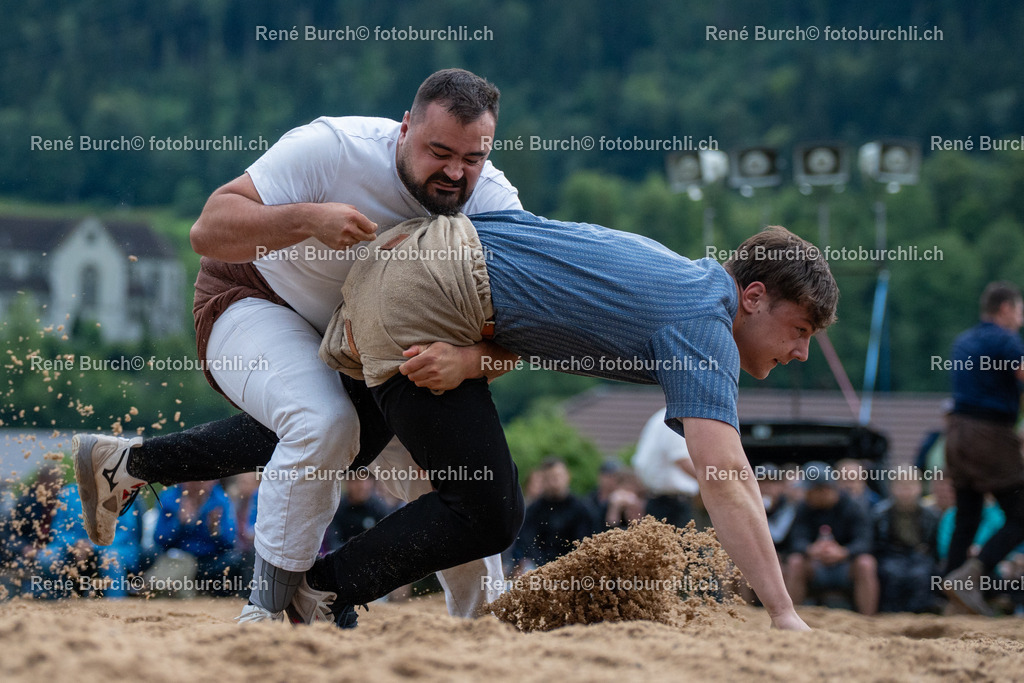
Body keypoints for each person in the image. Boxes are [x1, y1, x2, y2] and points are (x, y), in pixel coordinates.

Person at [72, 68, 523, 625]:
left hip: (370, 354)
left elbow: (523, 330)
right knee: (323, 423)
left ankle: (487, 626)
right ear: (404, 129)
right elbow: (208, 229)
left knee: (459, 485)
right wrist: (307, 219)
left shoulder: (496, 204)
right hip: (255, 299)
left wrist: (469, 361)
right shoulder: (334, 148)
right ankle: (271, 617)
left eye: (472, 158)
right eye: (439, 151)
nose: (455, 172)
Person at [312, 214, 839, 631]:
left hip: (408, 258)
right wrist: (783, 612)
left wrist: (472, 359)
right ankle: (319, 589)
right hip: (428, 283)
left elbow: (530, 307)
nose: (801, 353)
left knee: (326, 436)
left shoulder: (682, 277)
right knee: (488, 510)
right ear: (753, 297)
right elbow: (727, 477)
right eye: (799, 329)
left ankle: (306, 588)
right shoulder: (707, 322)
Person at [942, 281, 1024, 616]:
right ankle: (972, 574)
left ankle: (953, 599)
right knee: (1022, 514)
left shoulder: (963, 341)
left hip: (956, 435)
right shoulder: (1004, 339)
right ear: (1005, 308)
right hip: (990, 435)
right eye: (1019, 311)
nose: (1020, 319)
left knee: (967, 517)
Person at [782, 461, 878, 615]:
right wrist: (811, 550)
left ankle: (868, 617)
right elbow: (795, 540)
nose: (805, 494)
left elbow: (865, 542)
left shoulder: (853, 506)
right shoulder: (804, 507)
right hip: (815, 564)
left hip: (846, 564)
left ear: (824, 490)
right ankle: (792, 615)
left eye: (809, 490)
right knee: (795, 562)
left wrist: (843, 552)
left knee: (866, 563)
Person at [872, 475, 940, 613]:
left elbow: (934, 543)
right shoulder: (879, 513)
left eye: (910, 485)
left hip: (919, 555)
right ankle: (891, 614)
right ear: (892, 488)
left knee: (922, 575)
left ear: (920, 488)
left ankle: (920, 614)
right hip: (891, 554)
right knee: (892, 574)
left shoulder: (931, 514)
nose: (906, 491)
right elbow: (876, 542)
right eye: (901, 485)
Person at [514, 458, 595, 570]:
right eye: (550, 477)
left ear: (567, 476)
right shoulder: (534, 510)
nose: (555, 481)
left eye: (558, 476)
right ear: (544, 480)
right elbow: (529, 543)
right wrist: (544, 566)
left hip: (572, 566)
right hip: (539, 566)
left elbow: (584, 542)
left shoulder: (582, 509)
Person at [632, 408, 698, 529]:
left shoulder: (661, 416)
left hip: (661, 500)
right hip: (672, 504)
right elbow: (682, 460)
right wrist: (713, 481)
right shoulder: (676, 418)